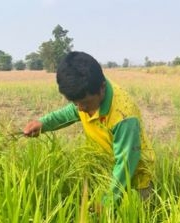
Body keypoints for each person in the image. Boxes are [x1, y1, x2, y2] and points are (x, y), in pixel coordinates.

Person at [23, 51, 155, 210]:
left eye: (84, 103)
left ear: (102, 88)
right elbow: (70, 112)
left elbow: (126, 165)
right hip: (107, 170)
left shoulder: (123, 117)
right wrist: (43, 123)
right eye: (75, 102)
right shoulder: (88, 95)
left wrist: (108, 202)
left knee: (136, 215)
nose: (80, 109)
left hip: (135, 178)